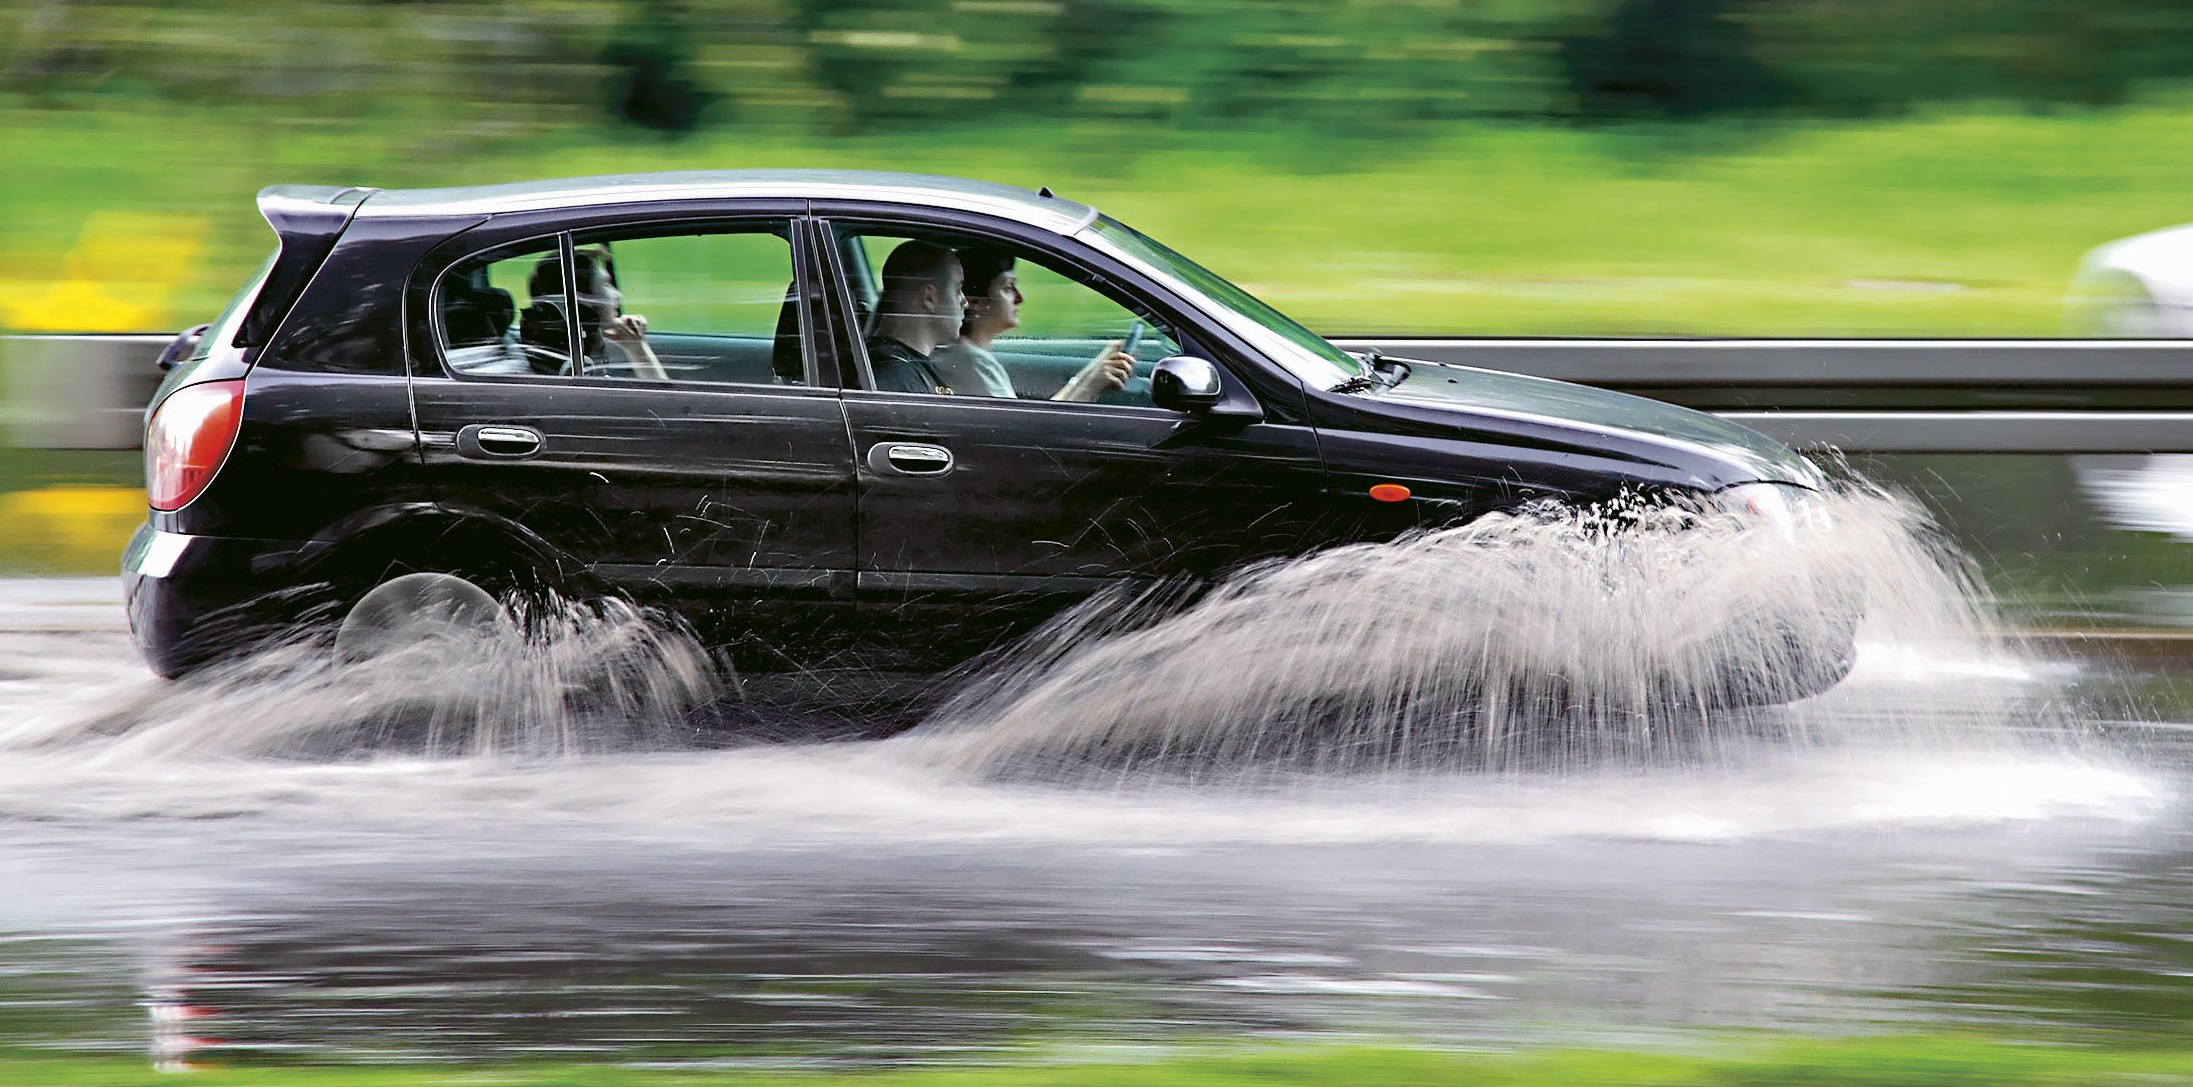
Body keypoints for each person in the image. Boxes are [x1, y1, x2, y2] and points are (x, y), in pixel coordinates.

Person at [929, 246, 1135, 402]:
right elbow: (1029, 432)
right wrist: (1091, 383)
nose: (1020, 298)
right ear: (974, 302)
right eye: (1009, 288)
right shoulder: (971, 363)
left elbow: (1035, 421)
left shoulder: (963, 356)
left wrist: (1094, 371)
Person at [516, 247, 668, 380]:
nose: (617, 295)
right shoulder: (569, 366)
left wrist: (634, 346)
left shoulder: (572, 352)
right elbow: (666, 406)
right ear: (582, 298)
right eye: (606, 284)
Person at [865, 240, 965, 395]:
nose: (965, 303)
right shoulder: (899, 381)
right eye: (958, 290)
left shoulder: (903, 367)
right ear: (929, 298)